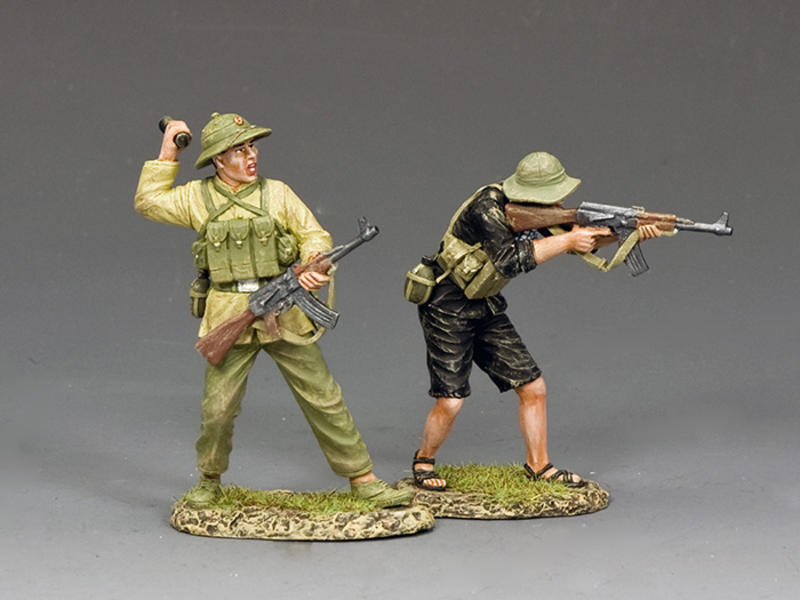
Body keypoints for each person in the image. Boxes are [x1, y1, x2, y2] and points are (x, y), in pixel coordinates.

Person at [135, 112, 412, 508]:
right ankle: (209, 481)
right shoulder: (197, 198)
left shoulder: (277, 194)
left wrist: (314, 266)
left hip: (284, 310)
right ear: (218, 159)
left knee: (323, 396)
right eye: (239, 150)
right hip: (229, 313)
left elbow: (313, 234)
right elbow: (147, 202)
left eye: (252, 147)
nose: (251, 156)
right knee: (218, 408)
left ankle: (362, 479)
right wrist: (168, 151)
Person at [409, 151, 661, 490]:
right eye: (551, 197)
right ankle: (424, 460)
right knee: (451, 400)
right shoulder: (488, 208)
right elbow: (508, 261)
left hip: (485, 305)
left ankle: (539, 466)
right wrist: (568, 239)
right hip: (447, 307)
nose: (557, 203)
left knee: (533, 387)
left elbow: (580, 243)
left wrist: (625, 233)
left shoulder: (533, 211)